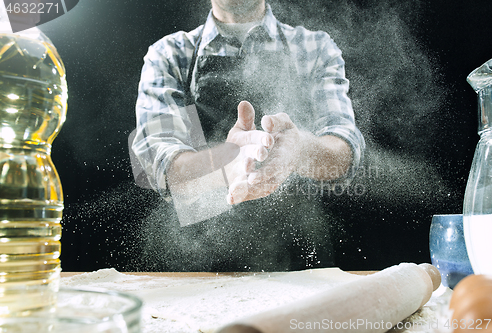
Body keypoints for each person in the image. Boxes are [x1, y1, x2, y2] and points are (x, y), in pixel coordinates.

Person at [132, 0, 365, 271]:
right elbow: (159, 165)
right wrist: (231, 163)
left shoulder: (314, 47)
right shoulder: (170, 54)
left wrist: (297, 150)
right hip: (196, 268)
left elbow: (344, 150)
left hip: (302, 263)